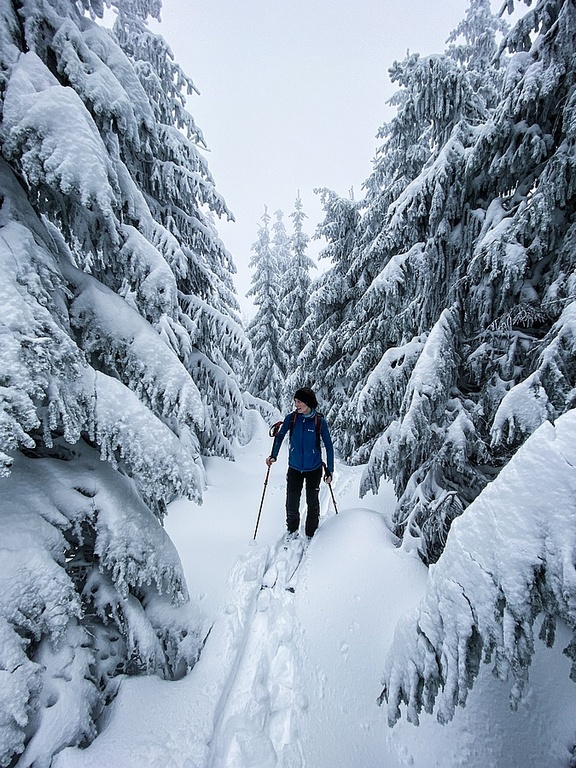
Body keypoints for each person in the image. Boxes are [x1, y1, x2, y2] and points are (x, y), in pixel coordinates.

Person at [266, 387, 334, 538]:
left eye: (299, 402)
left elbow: (329, 446)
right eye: (295, 401)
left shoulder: (319, 421)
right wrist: (273, 456)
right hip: (295, 468)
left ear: (308, 402)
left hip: (314, 469)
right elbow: (280, 436)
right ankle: (292, 531)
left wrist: (330, 469)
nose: (296, 405)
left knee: (312, 502)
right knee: (292, 501)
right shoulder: (292, 418)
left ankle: (311, 533)